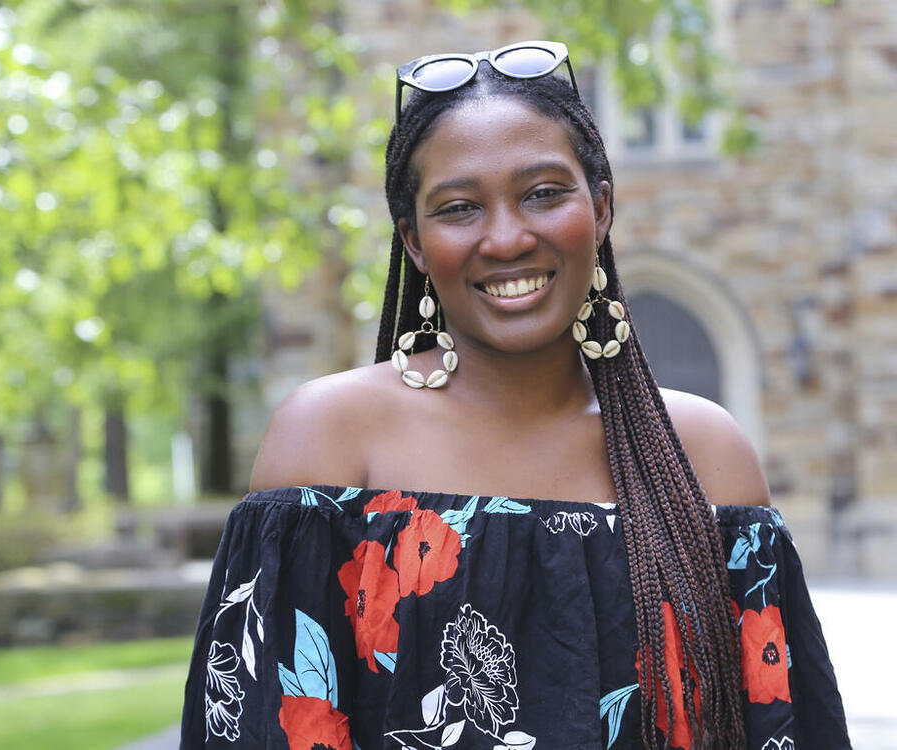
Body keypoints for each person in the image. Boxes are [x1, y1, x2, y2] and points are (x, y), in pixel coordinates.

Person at [181, 41, 849, 749]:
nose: (506, 238)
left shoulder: (704, 454)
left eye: (542, 193)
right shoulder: (331, 438)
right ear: (413, 241)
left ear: (600, 209)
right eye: (460, 207)